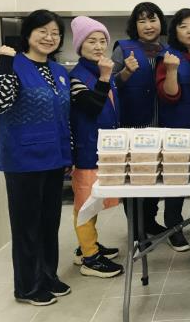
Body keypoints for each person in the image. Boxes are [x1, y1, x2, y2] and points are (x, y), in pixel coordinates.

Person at [0, 10, 71, 305]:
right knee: (27, 226)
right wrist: (4, 64)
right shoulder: (11, 65)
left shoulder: (58, 70)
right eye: (43, 31)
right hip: (23, 159)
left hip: (54, 157)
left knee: (49, 222)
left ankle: (48, 276)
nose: (49, 37)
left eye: (55, 33)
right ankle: (26, 286)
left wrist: (68, 153)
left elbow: (64, 115)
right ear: (28, 34)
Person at [68, 16, 123, 278]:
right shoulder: (77, 77)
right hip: (87, 149)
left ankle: (86, 246)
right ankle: (89, 258)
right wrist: (105, 76)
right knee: (84, 203)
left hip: (104, 149)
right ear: (80, 45)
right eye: (91, 41)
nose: (99, 46)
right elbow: (92, 107)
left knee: (94, 200)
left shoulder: (100, 70)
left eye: (102, 40)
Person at [112, 2, 168, 238]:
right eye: (142, 21)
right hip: (133, 126)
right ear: (134, 25)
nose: (148, 25)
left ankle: (150, 221)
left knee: (156, 176)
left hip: (161, 123)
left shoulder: (168, 50)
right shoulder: (123, 49)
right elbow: (110, 84)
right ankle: (136, 229)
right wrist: (126, 72)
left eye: (152, 19)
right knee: (134, 179)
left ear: (160, 22)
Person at [156, 8, 190, 252]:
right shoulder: (168, 56)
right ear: (175, 31)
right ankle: (173, 227)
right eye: (183, 26)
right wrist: (172, 70)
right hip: (178, 126)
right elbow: (170, 95)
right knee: (176, 177)